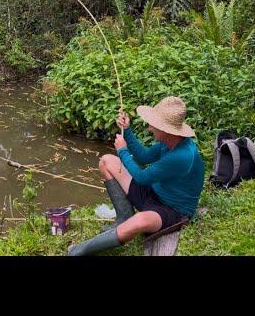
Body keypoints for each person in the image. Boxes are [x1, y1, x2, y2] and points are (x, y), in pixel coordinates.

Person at [68, 96, 204, 256]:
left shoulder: (182, 155)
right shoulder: (169, 142)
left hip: (172, 211)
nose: (149, 128)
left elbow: (142, 177)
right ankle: (124, 216)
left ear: (167, 130)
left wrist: (122, 150)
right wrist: (128, 131)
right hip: (152, 194)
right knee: (107, 161)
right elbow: (143, 157)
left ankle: (77, 251)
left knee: (140, 221)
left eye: (153, 125)